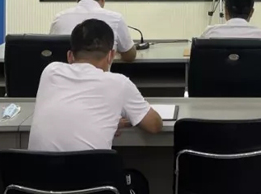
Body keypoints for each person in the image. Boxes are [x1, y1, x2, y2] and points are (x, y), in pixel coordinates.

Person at [29, 19, 163, 151]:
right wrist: (111, 121)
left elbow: (73, 113)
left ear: (70, 56)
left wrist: (108, 120)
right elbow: (154, 125)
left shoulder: (50, 71)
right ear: (110, 56)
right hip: (92, 166)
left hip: (38, 166)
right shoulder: (119, 83)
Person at [50, 0, 137, 62]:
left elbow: (51, 50)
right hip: (101, 71)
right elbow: (130, 56)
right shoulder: (116, 19)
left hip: (65, 71)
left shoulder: (59, 18)